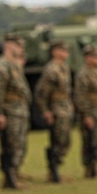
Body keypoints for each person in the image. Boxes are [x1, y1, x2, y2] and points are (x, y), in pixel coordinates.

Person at [0, 35, 31, 190]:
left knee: (19, 144)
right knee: (10, 144)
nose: (20, 49)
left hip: (19, 110)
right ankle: (9, 178)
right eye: (18, 46)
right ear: (9, 46)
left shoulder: (14, 65)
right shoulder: (2, 65)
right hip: (10, 111)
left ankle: (14, 175)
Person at [34, 40, 74, 183]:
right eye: (63, 50)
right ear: (55, 52)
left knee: (65, 140)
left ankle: (56, 168)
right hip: (56, 109)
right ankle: (53, 172)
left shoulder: (63, 67)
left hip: (65, 108)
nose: (66, 53)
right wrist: (45, 111)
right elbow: (41, 92)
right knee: (57, 140)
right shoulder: (52, 69)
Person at [73, 45, 97, 179]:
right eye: (95, 56)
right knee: (89, 141)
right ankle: (89, 168)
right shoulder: (83, 74)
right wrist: (86, 115)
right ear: (87, 58)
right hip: (91, 113)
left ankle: (96, 167)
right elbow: (80, 96)